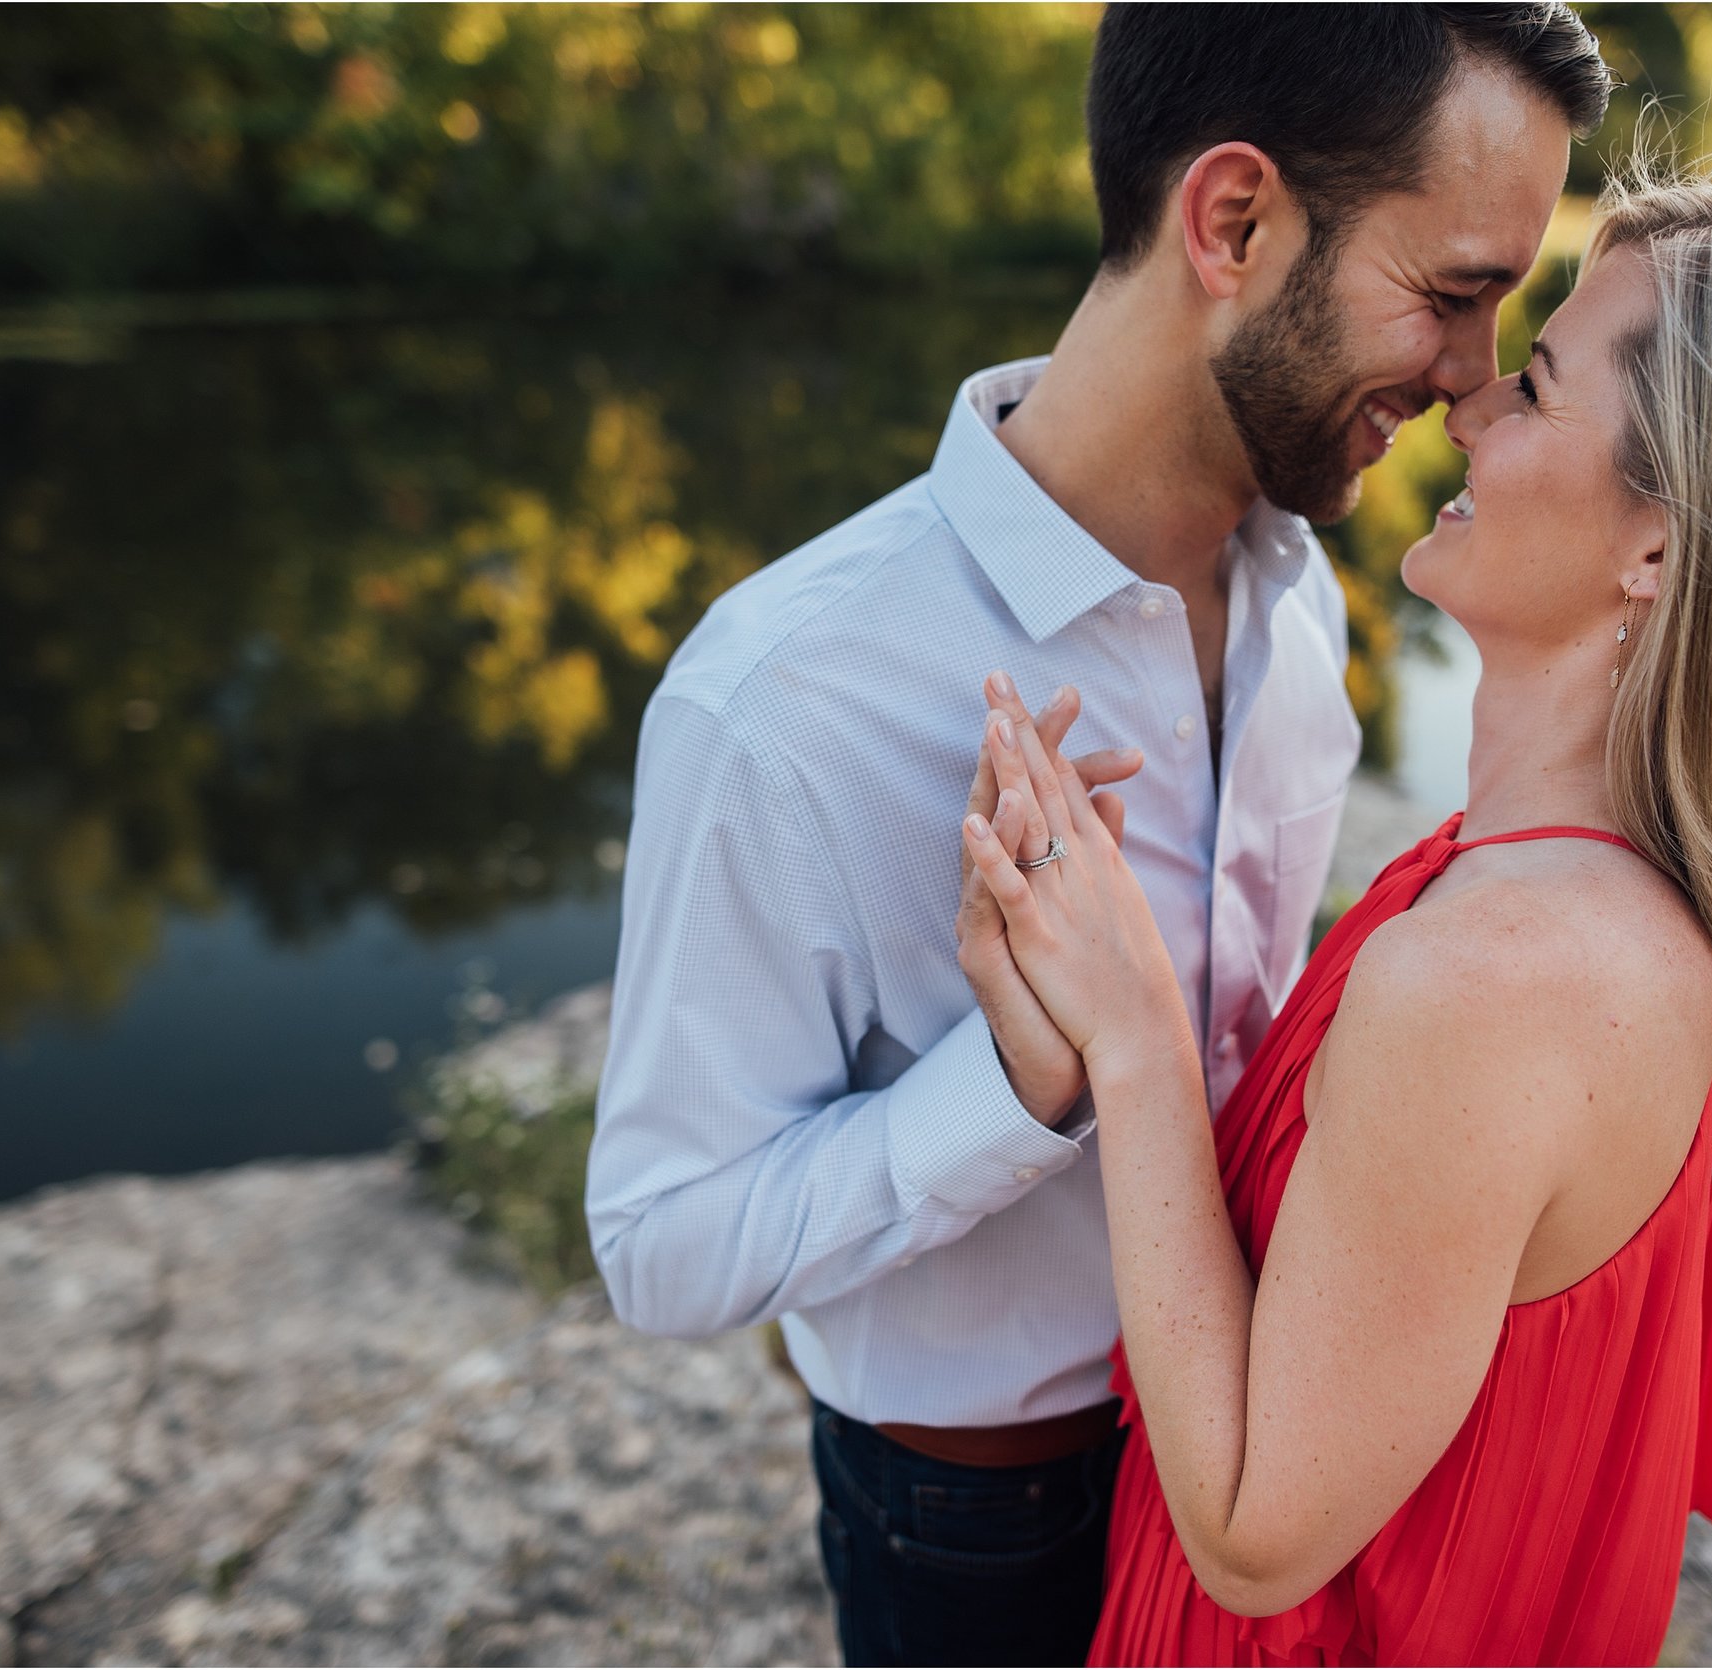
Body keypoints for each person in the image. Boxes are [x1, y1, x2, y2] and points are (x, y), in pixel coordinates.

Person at [954, 150, 1712, 1665]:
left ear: (1663, 548)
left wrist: (1133, 1028)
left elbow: (1247, 1527)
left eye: (1540, 388)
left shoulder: (1500, 979)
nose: (1469, 407)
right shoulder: (1626, 902)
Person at [584, 6, 1612, 1663]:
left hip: (1277, 1468)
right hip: (991, 1533)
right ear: (1232, 221)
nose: (1475, 385)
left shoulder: (1299, 594)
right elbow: (661, 1243)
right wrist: (1019, 1084)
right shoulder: (783, 701)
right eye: (1452, 294)